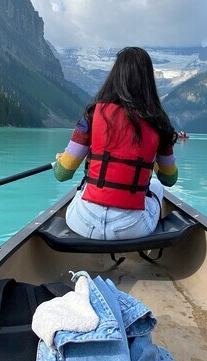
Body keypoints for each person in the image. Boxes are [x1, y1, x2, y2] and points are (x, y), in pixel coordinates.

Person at [53, 47, 178, 240]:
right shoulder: (159, 122)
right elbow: (169, 179)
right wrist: (149, 162)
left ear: (115, 76)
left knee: (83, 187)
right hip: (132, 228)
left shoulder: (93, 115)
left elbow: (62, 174)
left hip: (84, 223)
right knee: (157, 187)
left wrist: (63, 160)